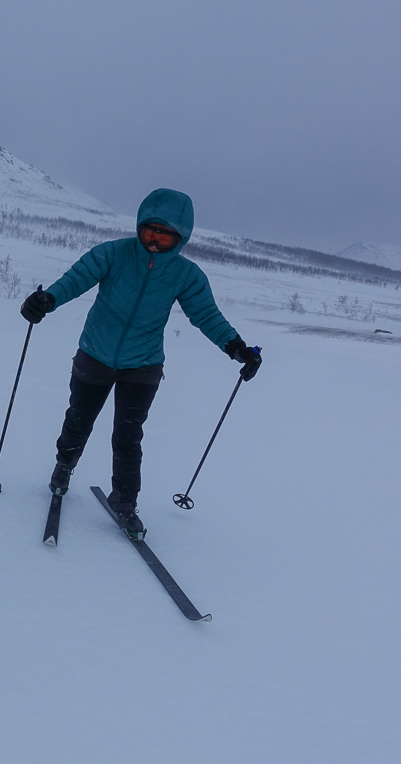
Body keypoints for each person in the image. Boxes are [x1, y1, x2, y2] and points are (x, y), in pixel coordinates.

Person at [20, 188, 261, 539]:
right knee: (79, 419)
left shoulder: (186, 275)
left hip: (144, 364)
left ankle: (125, 502)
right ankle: (64, 466)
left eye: (165, 235)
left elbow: (206, 314)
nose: (155, 240)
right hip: (95, 353)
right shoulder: (113, 254)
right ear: (140, 225)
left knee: (128, 436)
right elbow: (76, 280)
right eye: (150, 231)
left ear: (181, 238)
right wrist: (47, 299)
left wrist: (237, 348)